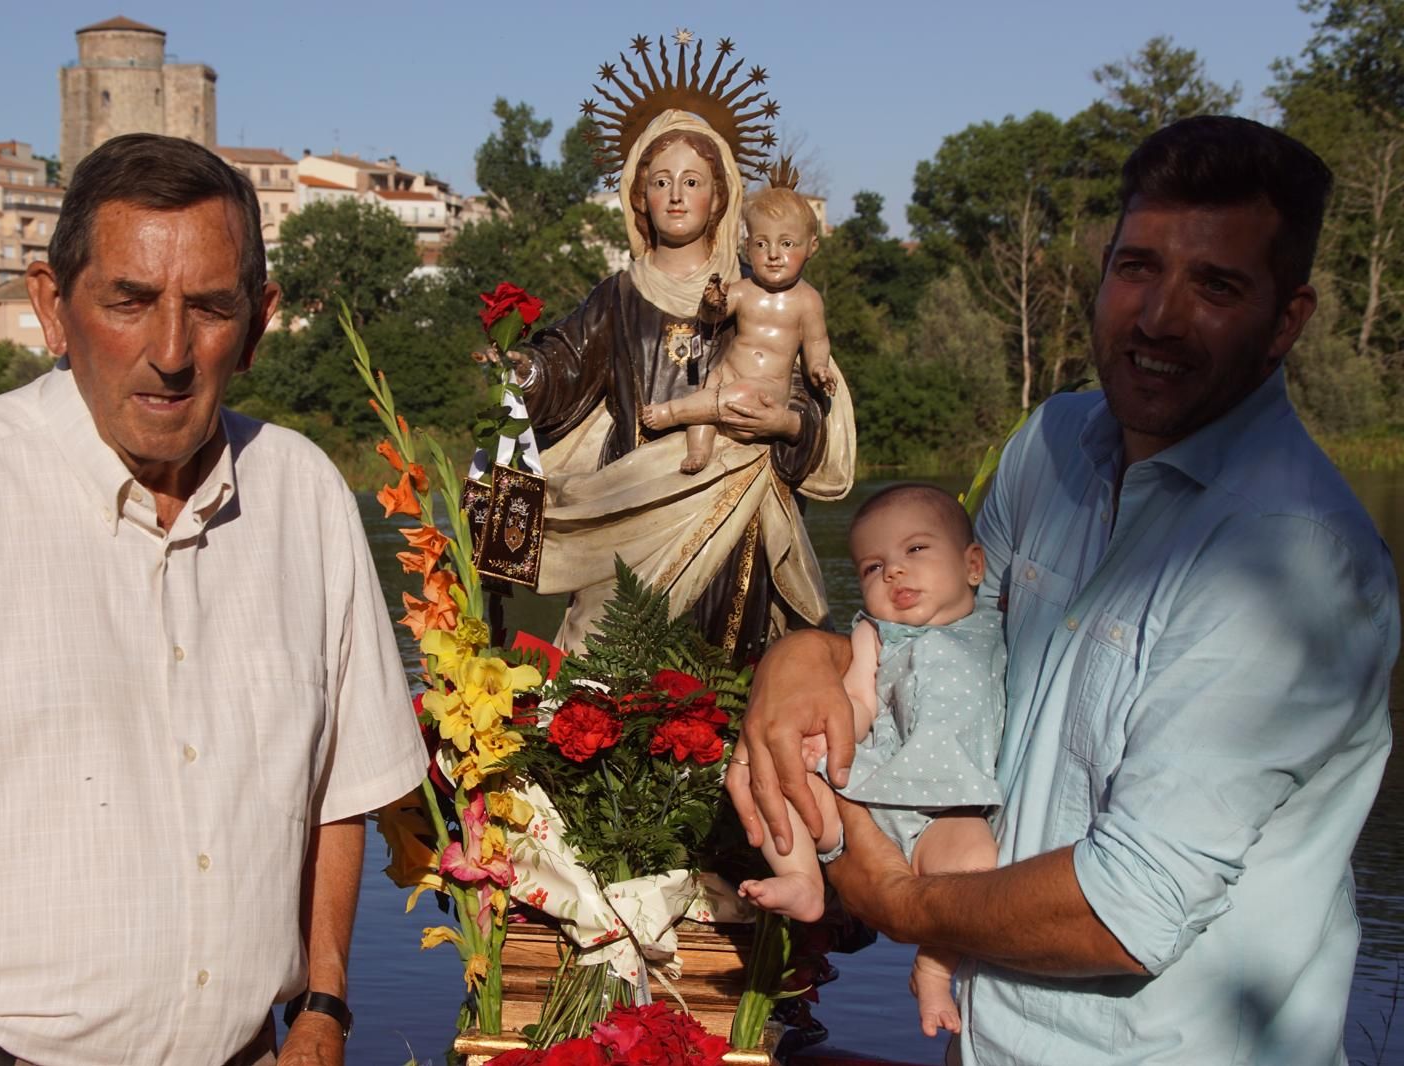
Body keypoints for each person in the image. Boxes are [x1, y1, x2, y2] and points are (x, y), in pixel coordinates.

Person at [729, 115, 1400, 1065]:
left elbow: (1126, 909)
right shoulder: (1051, 448)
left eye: (1216, 285)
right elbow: (950, 637)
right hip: (981, 1040)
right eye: (1137, 267)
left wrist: (896, 896)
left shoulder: (1292, 562)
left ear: (1287, 321)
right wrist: (804, 657)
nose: (1158, 317)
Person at [0, 133, 428, 1066]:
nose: (170, 352)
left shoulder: (305, 499)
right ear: (51, 308)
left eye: (209, 308)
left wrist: (323, 1007)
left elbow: (339, 791)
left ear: (259, 323)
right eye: (129, 302)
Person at [500, 109, 855, 663]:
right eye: (661, 181)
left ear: (719, 197)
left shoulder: (760, 291)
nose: (675, 196)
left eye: (692, 182)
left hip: (731, 491)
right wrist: (527, 371)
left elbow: (807, 391)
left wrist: (784, 422)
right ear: (639, 196)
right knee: (610, 656)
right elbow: (565, 365)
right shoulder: (617, 296)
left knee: (720, 667)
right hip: (630, 491)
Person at [737, 484, 1002, 1038]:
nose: (894, 572)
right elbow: (857, 699)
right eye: (873, 567)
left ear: (973, 565)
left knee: (977, 868)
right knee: (779, 778)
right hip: (873, 784)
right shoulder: (874, 634)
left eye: (916, 550)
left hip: (950, 806)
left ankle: (934, 967)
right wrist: (824, 741)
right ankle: (802, 880)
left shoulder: (998, 625)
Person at [640, 184, 834, 474]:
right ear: (747, 246)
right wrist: (712, 303)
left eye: (786, 244)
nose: (773, 254)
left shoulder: (808, 301)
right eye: (761, 244)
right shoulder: (744, 290)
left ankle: (672, 411)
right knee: (706, 402)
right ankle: (699, 450)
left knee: (725, 397)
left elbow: (816, 342)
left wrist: (819, 367)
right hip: (727, 375)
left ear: (811, 247)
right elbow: (712, 317)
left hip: (765, 388)